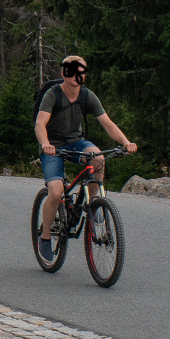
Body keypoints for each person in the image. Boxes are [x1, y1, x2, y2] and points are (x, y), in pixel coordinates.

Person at [35, 54, 137, 260]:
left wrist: (125, 143)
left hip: (76, 142)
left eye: (81, 71)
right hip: (53, 146)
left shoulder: (87, 96)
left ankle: (94, 203)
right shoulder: (53, 95)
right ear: (64, 73)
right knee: (55, 193)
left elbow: (107, 123)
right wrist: (46, 145)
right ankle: (45, 237)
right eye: (72, 71)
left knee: (98, 158)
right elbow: (40, 124)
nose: (76, 75)